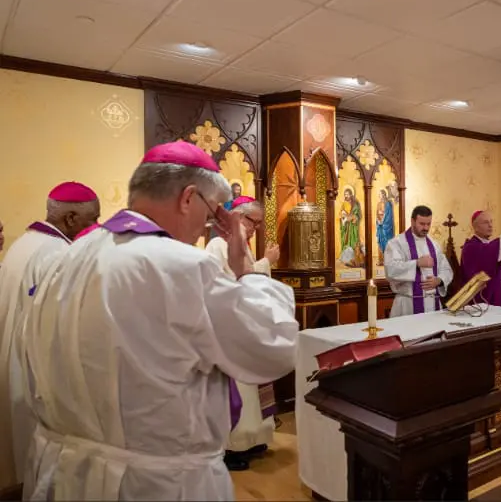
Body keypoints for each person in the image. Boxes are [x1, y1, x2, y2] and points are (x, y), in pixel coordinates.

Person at [19, 141, 299, 500]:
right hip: (154, 482)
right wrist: (247, 268)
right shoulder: (180, 266)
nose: (205, 228)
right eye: (211, 213)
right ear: (188, 198)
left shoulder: (65, 259)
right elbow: (271, 347)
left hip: (65, 470)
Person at [0, 182, 100, 492]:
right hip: (34, 373)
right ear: (70, 218)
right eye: (92, 219)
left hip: (12, 361)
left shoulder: (23, 243)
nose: (95, 227)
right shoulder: (57, 253)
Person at [205, 195, 282, 471]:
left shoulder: (241, 246)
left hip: (247, 327)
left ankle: (255, 438)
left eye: (259, 224)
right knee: (238, 390)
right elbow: (228, 283)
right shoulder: (217, 244)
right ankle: (232, 447)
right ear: (237, 216)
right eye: (253, 222)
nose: (256, 229)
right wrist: (265, 262)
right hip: (229, 330)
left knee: (252, 389)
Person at [384, 205, 453, 317]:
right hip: (408, 304)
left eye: (428, 224)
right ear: (412, 221)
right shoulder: (396, 243)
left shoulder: (434, 245)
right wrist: (416, 263)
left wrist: (439, 280)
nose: (426, 228)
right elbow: (391, 270)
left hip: (433, 305)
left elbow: (446, 269)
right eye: (422, 224)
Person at [459, 211, 501, 307]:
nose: (490, 225)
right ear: (475, 227)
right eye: (486, 222)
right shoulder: (471, 247)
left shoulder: (490, 246)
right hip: (481, 301)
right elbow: (487, 256)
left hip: (498, 296)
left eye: (491, 222)